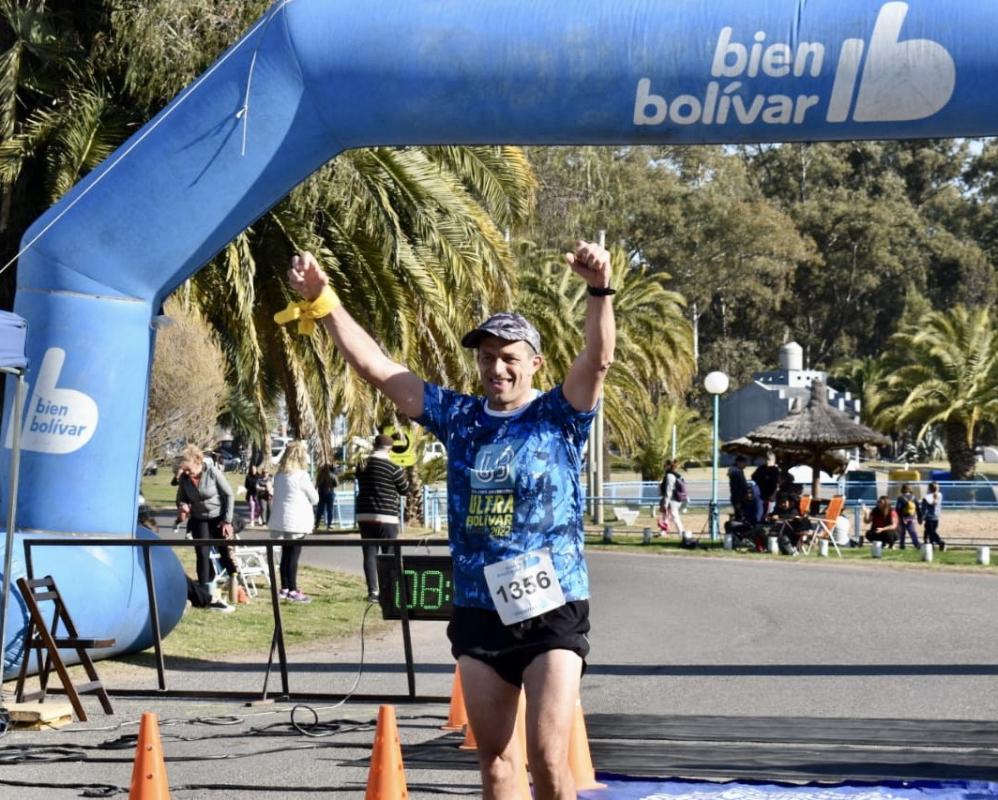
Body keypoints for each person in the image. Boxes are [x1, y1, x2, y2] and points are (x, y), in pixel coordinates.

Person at [279, 240, 614, 800]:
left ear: (534, 362)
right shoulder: (458, 416)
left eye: (510, 356)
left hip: (552, 607)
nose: (497, 367)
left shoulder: (559, 415)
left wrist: (600, 290)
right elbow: (378, 368)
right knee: (496, 764)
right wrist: (323, 299)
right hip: (480, 610)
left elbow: (598, 358)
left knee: (550, 759)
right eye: (487, 356)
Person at [173, 444, 237, 612]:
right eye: (184, 470)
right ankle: (204, 590)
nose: (186, 473)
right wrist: (183, 506)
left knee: (224, 552)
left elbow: (229, 494)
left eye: (188, 469)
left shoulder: (213, 472)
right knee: (202, 553)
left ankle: (234, 583)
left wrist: (227, 521)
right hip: (199, 519)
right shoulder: (184, 479)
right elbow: (180, 498)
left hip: (218, 517)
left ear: (197, 461)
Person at [355, 435, 409, 602]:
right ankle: (389, 591)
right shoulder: (394, 468)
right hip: (387, 516)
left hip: (365, 515)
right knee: (389, 554)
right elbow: (404, 490)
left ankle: (373, 592)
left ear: (374, 445)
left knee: (369, 554)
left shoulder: (361, 465)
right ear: (390, 449)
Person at [269, 440, 318, 602]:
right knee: (293, 556)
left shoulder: (280, 475)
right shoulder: (302, 476)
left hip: (281, 519)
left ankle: (284, 587)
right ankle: (293, 588)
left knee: (286, 554)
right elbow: (315, 498)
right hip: (296, 520)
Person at [658, 459, 686, 538]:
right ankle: (663, 532)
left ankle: (681, 533)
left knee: (674, 516)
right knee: (665, 516)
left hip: (672, 500)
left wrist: (665, 503)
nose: (664, 468)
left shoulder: (670, 476)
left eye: (664, 466)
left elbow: (669, 490)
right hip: (673, 499)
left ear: (668, 466)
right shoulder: (676, 475)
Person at [751, 451, 781, 516]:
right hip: (761, 495)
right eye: (766, 459)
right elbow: (753, 477)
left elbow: (778, 485)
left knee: (769, 514)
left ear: (773, 460)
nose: (767, 461)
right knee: (760, 513)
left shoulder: (775, 470)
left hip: (771, 496)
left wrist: (773, 495)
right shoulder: (761, 468)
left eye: (769, 460)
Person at [894, 484, 922, 550]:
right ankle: (916, 544)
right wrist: (919, 518)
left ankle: (902, 545)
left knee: (902, 532)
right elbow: (918, 508)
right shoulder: (914, 497)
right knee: (912, 532)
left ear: (902, 490)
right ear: (910, 489)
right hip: (911, 517)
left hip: (902, 517)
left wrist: (898, 517)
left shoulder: (900, 498)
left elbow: (898, 508)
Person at [921, 481, 946, 551]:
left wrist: (922, 517)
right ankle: (930, 546)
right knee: (929, 531)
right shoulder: (940, 495)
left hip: (929, 517)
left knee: (931, 532)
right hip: (936, 517)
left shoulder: (927, 497)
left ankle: (940, 542)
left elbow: (926, 508)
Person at [314, 462, 339, 530]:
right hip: (330, 493)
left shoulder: (320, 475)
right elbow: (336, 484)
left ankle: (317, 524)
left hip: (321, 493)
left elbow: (317, 485)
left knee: (320, 509)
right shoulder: (332, 475)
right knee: (329, 510)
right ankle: (329, 524)